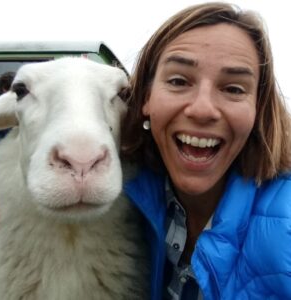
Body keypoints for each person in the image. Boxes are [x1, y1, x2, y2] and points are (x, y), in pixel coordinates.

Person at [121, 2, 291, 300]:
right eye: (178, 81)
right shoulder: (116, 200)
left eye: (234, 89)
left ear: (258, 109)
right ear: (146, 97)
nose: (203, 110)